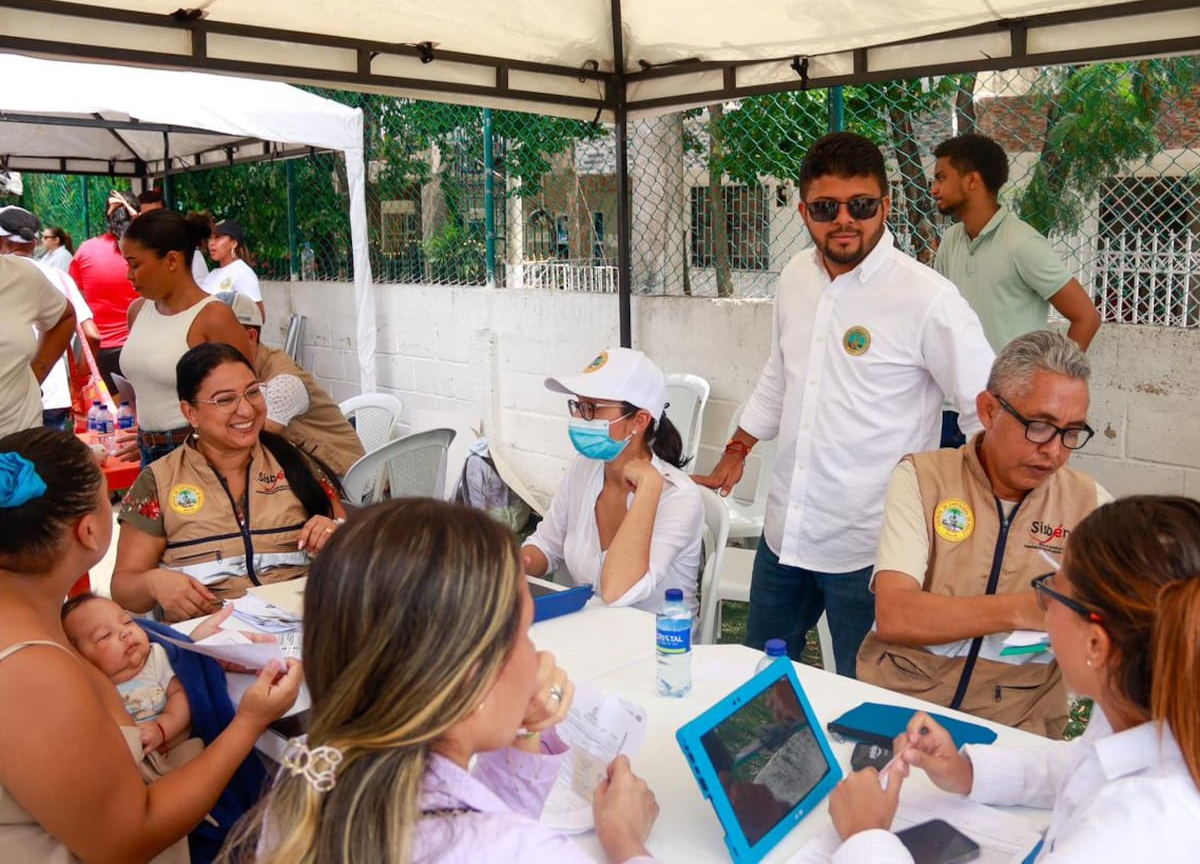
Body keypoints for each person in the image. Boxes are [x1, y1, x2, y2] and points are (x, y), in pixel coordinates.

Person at [696, 132, 994, 677]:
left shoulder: (927, 298)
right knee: (759, 685)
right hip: (787, 532)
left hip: (874, 549)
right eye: (825, 208)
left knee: (869, 694)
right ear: (804, 210)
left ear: (885, 205)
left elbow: (985, 412)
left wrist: (974, 517)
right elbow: (780, 372)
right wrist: (738, 448)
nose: (844, 220)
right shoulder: (795, 277)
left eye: (860, 205)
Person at [221, 497, 661, 864]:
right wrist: (625, 840)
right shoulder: (527, 851)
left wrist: (524, 731)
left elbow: (490, 828)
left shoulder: (307, 778)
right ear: (470, 678)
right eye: (525, 634)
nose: (539, 657)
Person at [827, 495, 1200, 862]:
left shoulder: (1137, 831)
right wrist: (967, 772)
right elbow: (1082, 763)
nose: (1044, 607)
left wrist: (865, 836)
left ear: (1096, 644)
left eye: (1053, 592)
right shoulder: (1142, 707)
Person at [0, 426, 303, 862]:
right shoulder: (33, 672)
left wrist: (189, 652)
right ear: (89, 531)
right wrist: (250, 723)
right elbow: (126, 838)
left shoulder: (35, 624)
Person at [856, 331, 1111, 737]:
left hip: (1017, 722)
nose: (1054, 451)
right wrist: (1027, 609)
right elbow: (896, 615)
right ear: (989, 410)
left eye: (1071, 433)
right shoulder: (923, 479)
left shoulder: (1089, 506)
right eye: (1040, 426)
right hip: (904, 703)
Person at [112, 342, 347, 622]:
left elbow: (352, 550)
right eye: (225, 400)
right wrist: (154, 583)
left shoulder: (294, 463)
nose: (246, 410)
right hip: (207, 636)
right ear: (190, 412)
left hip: (303, 628)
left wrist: (335, 535)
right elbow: (124, 588)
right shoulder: (160, 482)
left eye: (253, 392)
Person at [931, 134, 1101, 448]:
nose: (934, 188)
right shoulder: (951, 241)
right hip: (951, 405)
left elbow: (1086, 317)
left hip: (1008, 410)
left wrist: (1050, 383)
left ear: (972, 181)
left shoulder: (1022, 243)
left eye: (942, 177)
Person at [522, 348, 704, 616]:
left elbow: (619, 590)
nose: (579, 417)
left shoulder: (678, 496)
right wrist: (517, 566)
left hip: (659, 638)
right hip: (590, 628)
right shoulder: (584, 468)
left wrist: (649, 488)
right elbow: (547, 545)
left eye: (592, 408)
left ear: (639, 421)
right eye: (578, 405)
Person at [119, 209, 255, 465]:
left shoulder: (213, 317)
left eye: (135, 264)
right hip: (148, 450)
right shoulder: (137, 311)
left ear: (172, 260)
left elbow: (245, 398)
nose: (128, 274)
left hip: (199, 453)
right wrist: (150, 437)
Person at [218, 291, 365, 476]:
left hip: (344, 479)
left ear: (251, 336)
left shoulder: (284, 383)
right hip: (309, 473)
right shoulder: (245, 372)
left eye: (218, 336)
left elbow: (249, 443)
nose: (208, 345)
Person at [62, 593, 197, 764]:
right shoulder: (91, 687)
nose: (125, 633)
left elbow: (181, 696)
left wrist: (161, 729)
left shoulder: (155, 658)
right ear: (81, 658)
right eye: (105, 635)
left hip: (175, 746)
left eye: (127, 621)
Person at [0, 205, 95, 432]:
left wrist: (35, 377)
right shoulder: (57, 275)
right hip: (55, 392)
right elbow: (91, 333)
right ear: (34, 243)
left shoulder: (24, 273)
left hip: (26, 415)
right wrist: (80, 376)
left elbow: (68, 318)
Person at [70, 190, 141, 398]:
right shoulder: (146, 251)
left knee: (105, 412)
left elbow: (78, 296)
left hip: (99, 350)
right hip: (139, 347)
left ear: (107, 217)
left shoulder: (86, 250)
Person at [138, 188, 210, 284]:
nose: (153, 220)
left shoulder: (187, 250)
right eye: (147, 216)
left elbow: (202, 287)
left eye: (158, 214)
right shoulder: (130, 250)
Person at [202, 219, 264, 319]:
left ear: (233, 243)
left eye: (218, 237)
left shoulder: (242, 272)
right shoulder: (212, 274)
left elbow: (258, 316)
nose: (211, 243)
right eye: (210, 238)